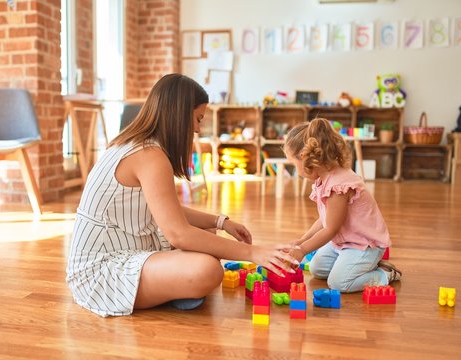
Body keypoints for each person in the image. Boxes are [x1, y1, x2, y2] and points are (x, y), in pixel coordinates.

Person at [66, 73, 297, 317]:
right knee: (207, 269)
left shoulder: (134, 144)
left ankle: (172, 286)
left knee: (207, 236)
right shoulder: (149, 156)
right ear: (178, 114)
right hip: (99, 273)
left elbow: (165, 209)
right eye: (197, 119)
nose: (197, 129)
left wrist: (221, 222)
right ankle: (174, 288)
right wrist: (254, 254)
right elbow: (178, 234)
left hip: (130, 249)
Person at [283, 118, 402, 293]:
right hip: (343, 242)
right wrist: (302, 241)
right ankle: (358, 267)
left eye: (293, 164)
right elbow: (324, 220)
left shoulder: (339, 186)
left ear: (305, 159)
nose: (295, 170)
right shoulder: (324, 179)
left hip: (363, 245)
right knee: (317, 269)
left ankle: (384, 274)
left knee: (339, 283)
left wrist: (302, 250)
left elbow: (330, 229)